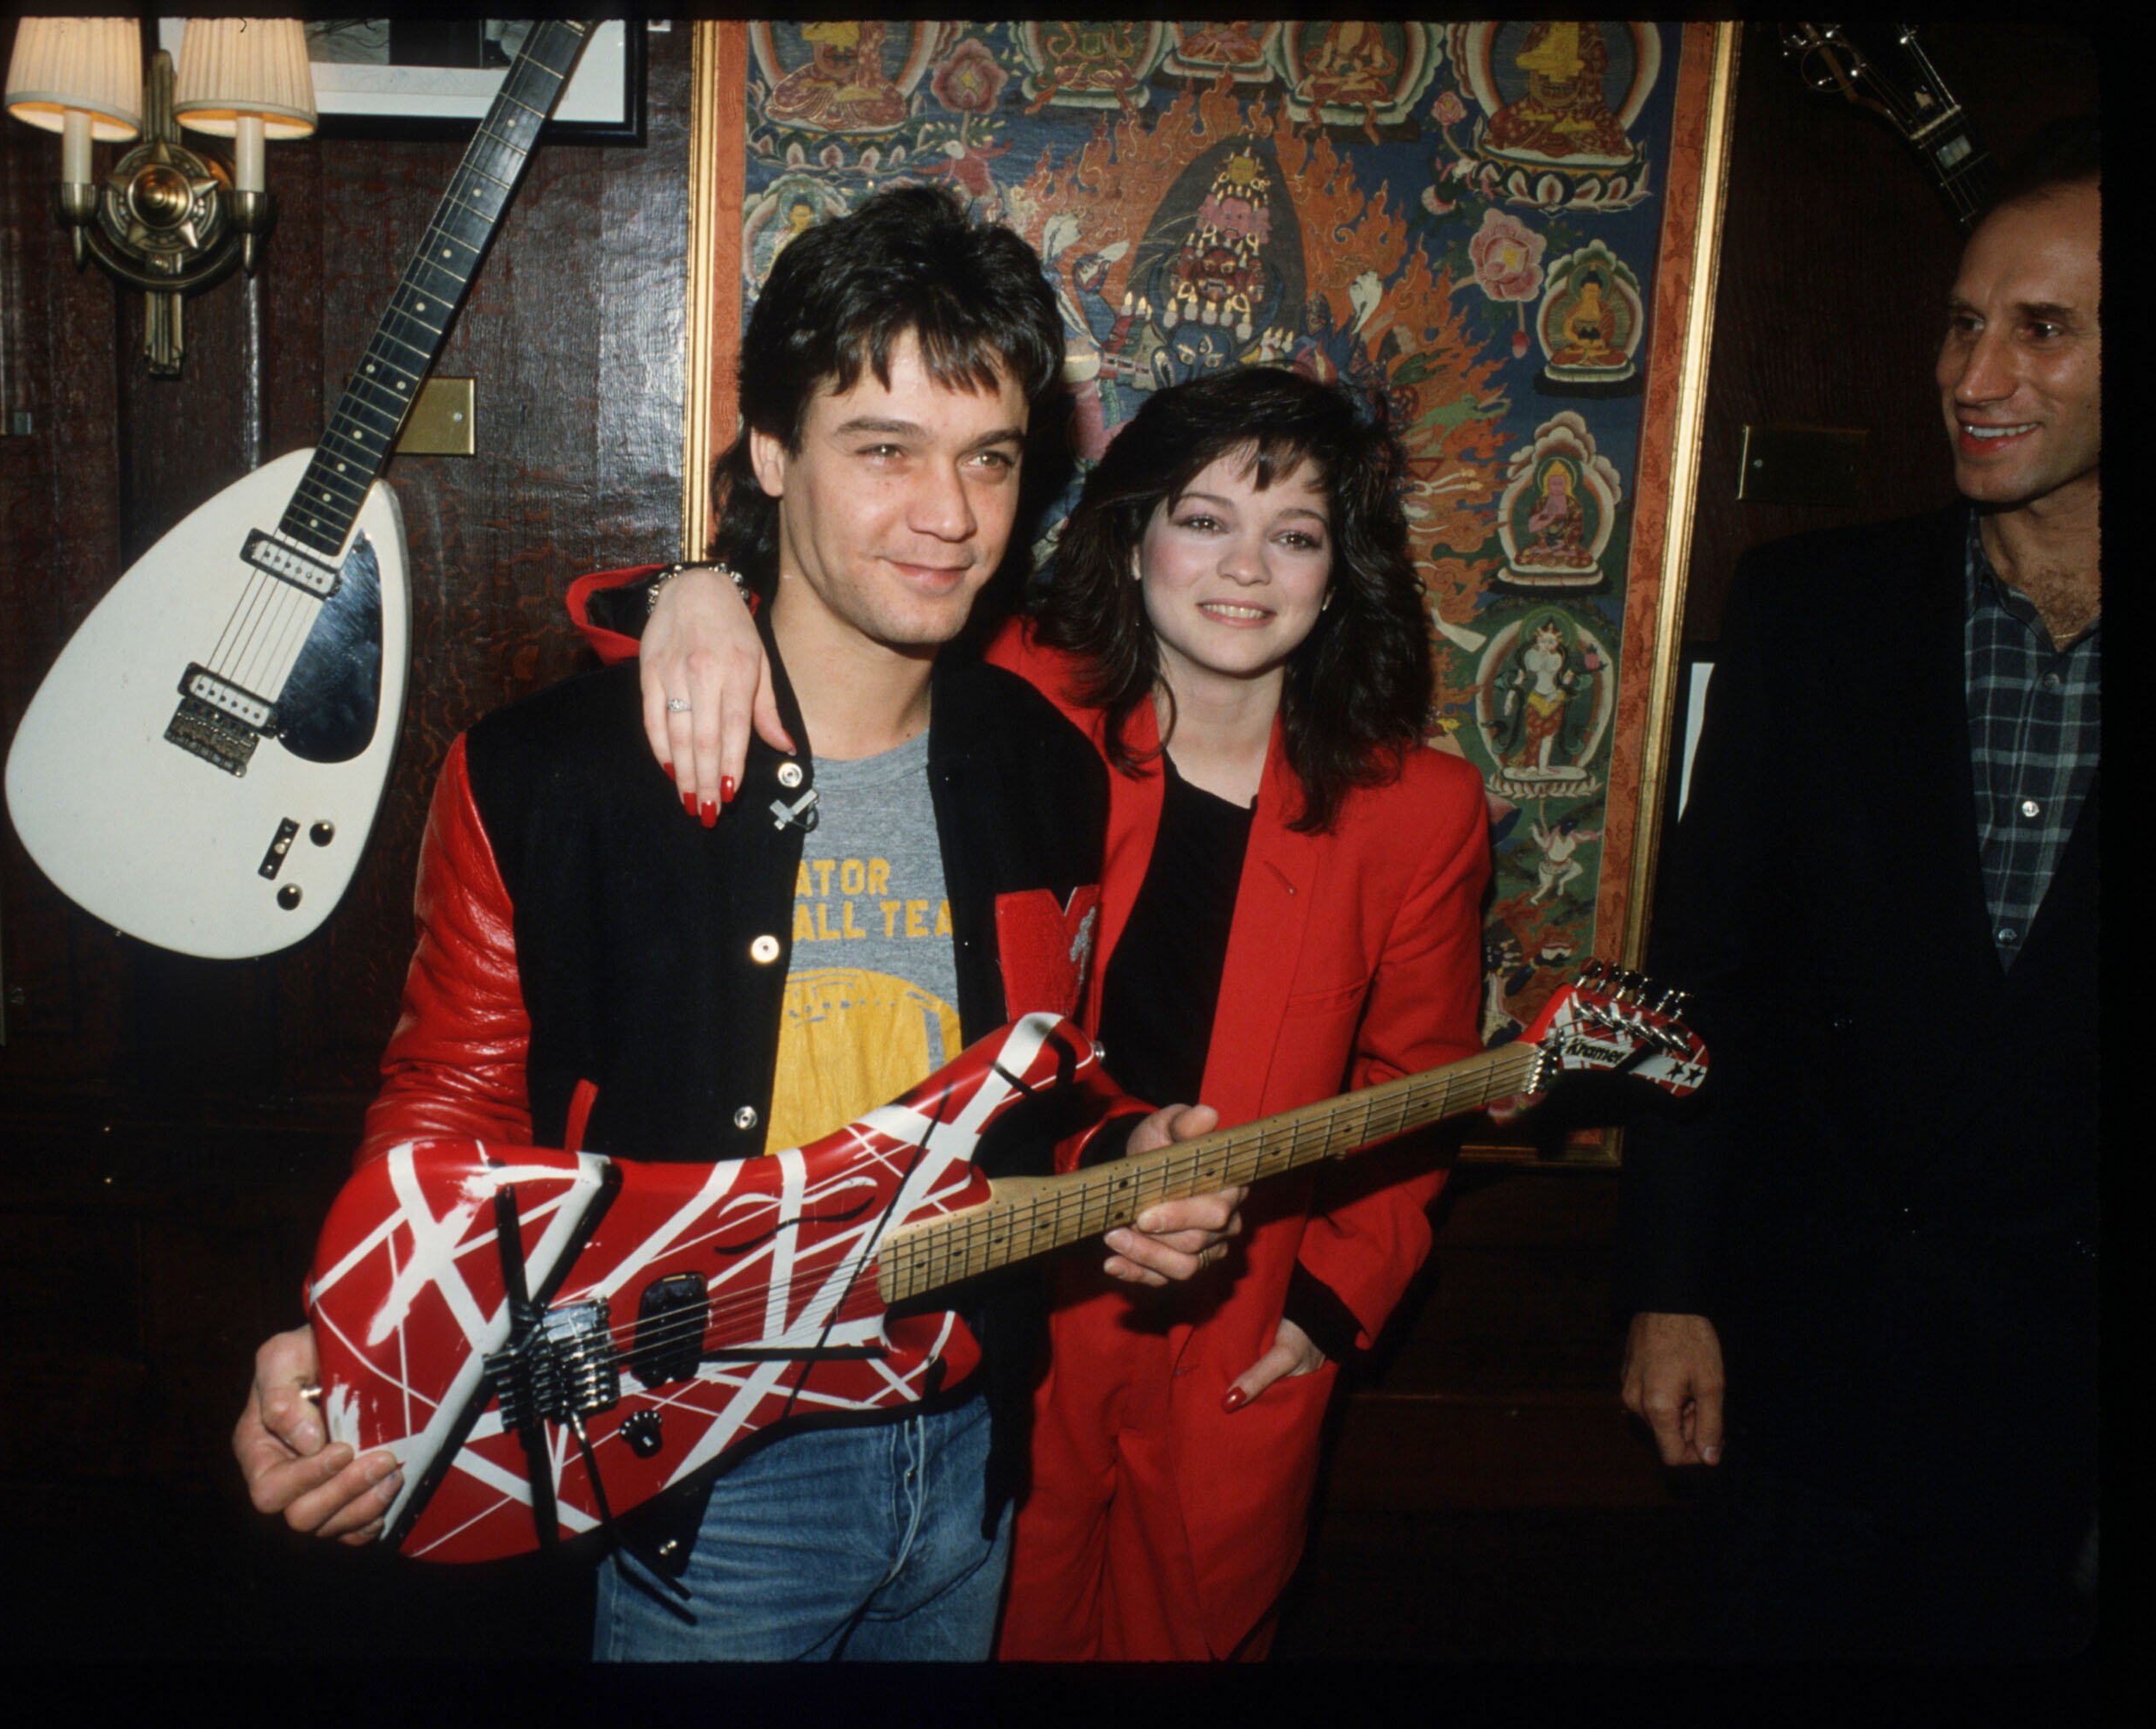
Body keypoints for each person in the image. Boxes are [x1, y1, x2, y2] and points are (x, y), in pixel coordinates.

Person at [229, 185, 1244, 1663]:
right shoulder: (546, 772)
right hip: (694, 1479)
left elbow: (1045, 1073)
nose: (948, 516)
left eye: (989, 460)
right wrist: (360, 1339)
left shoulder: (1045, 764)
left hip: (966, 1445)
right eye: (882, 449)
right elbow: (446, 1103)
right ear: (770, 450)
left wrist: (1128, 1148)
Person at [605, 365, 1489, 1660]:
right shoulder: (1014, 711)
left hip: (1234, 1330)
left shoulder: (1416, 808)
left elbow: (1423, 1076)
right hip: (1003, 1313)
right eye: (1204, 519)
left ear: (1336, 568)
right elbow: (817, 616)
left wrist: (1325, 1309)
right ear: (1132, 536)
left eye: (1294, 534)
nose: (1246, 566)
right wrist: (691, 587)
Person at [1616, 116, 2100, 1660]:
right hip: (1803, 1363)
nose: (1973, 378)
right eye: (1962, 323)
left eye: (2041, 330)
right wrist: (1668, 1289)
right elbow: (1701, 975)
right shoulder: (1815, 612)